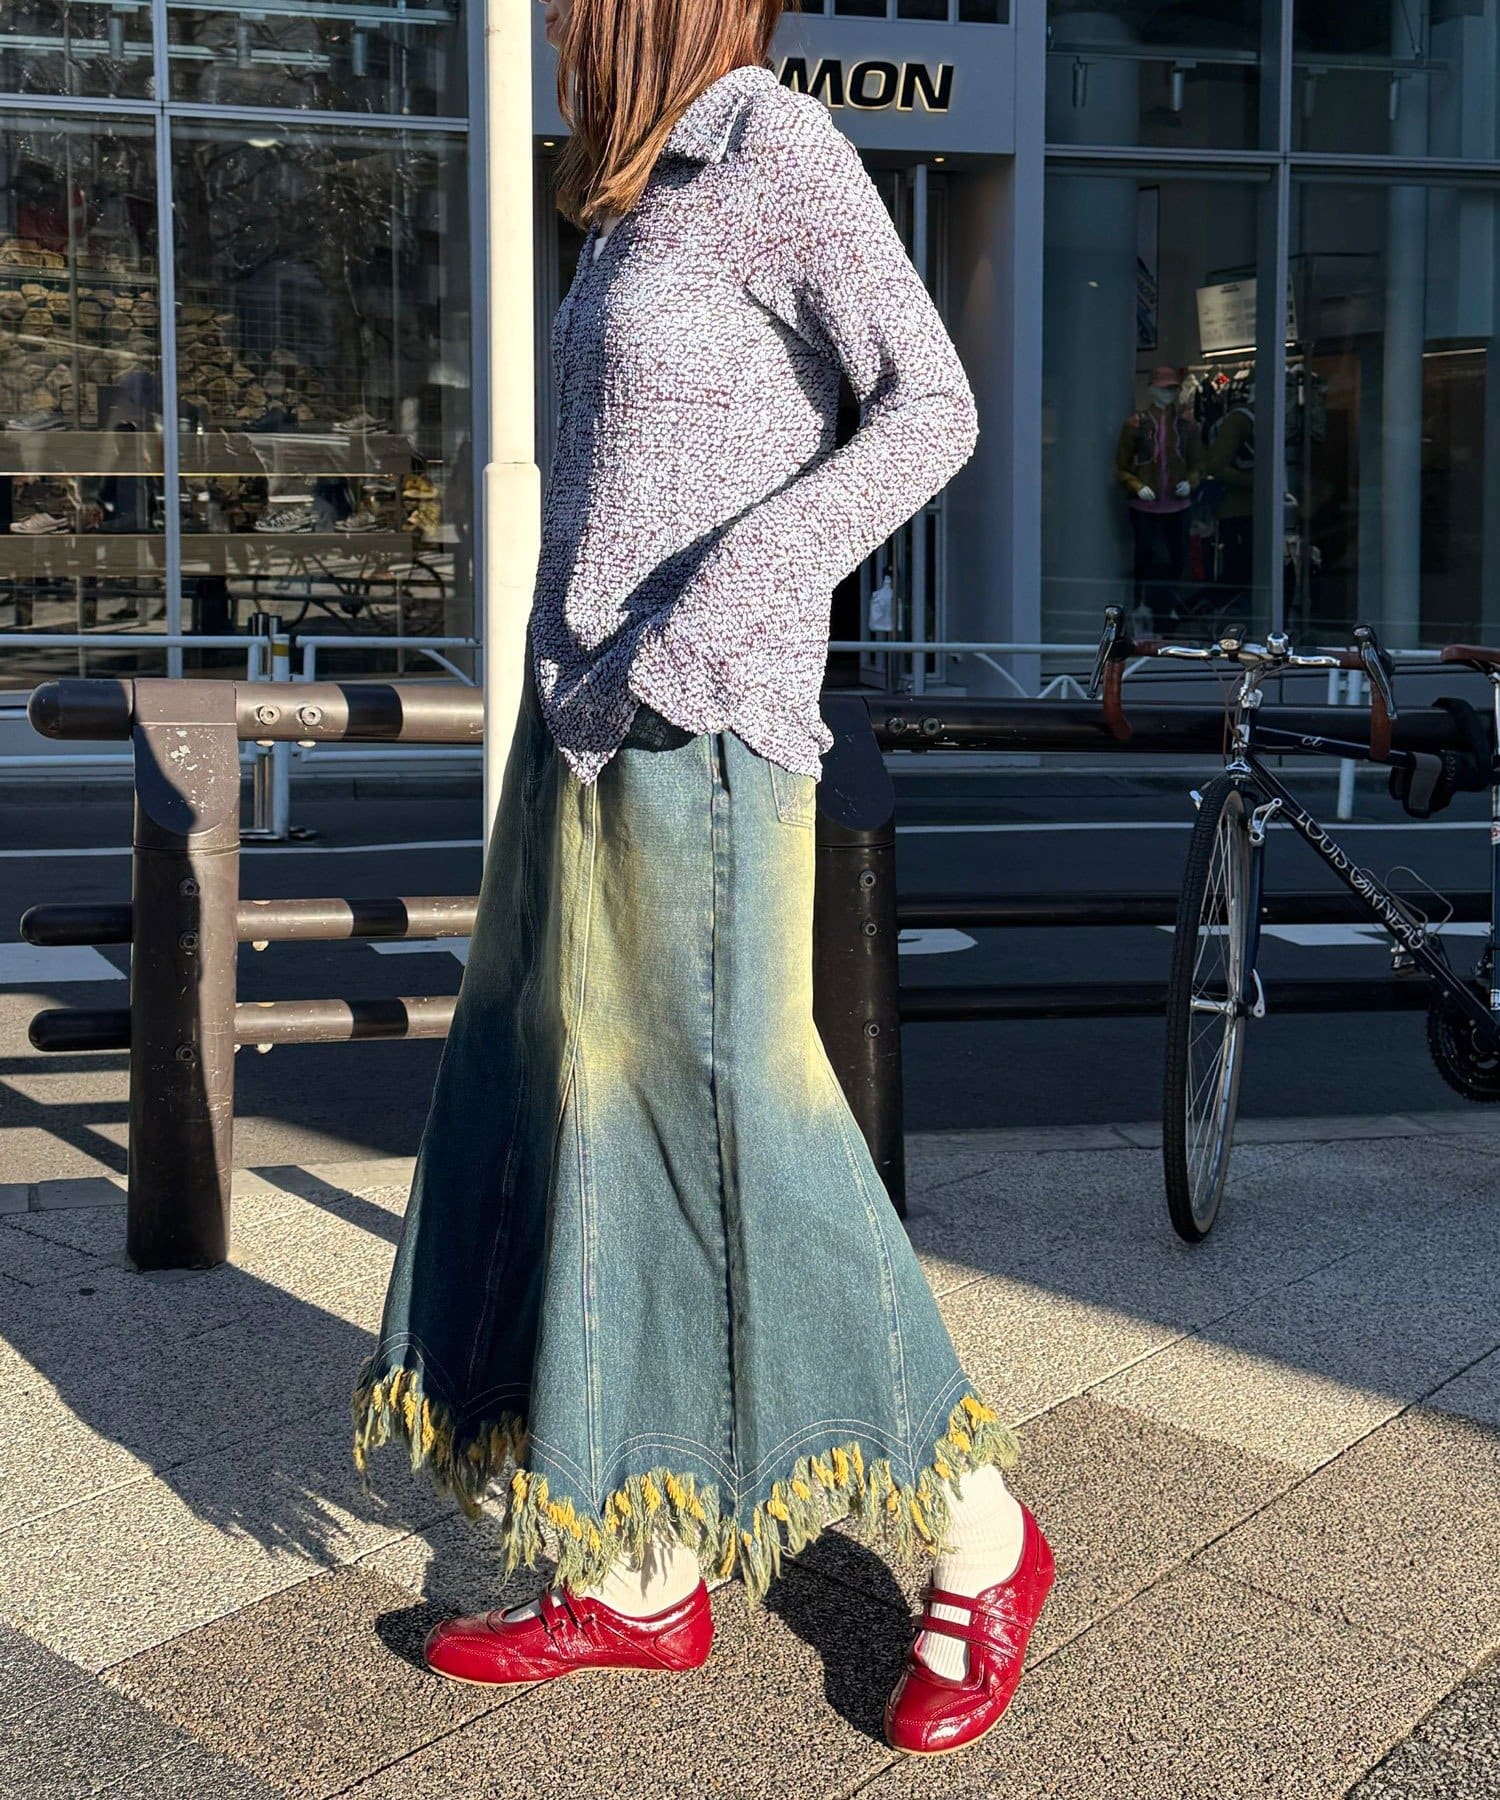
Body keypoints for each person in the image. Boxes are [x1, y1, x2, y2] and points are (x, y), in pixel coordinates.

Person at [351, 0, 1055, 1760]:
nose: (558, 30)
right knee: (601, 1120)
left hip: (710, 729)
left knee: (750, 1127)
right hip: (591, 733)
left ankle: (983, 1533)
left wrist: (725, 607)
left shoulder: (776, 150)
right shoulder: (640, 193)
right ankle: (646, 1566)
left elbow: (934, 409)